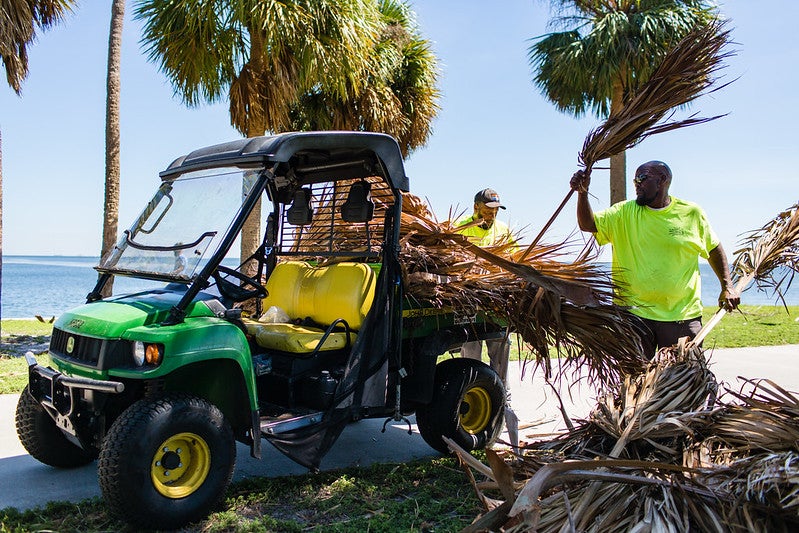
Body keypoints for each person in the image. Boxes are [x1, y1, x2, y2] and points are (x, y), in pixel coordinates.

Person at [570, 161, 740, 358]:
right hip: (634, 317)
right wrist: (582, 193)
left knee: (681, 382)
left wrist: (727, 286)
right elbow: (588, 224)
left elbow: (713, 248)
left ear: (662, 180)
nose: (637, 184)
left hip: (682, 317)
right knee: (636, 381)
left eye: (642, 178)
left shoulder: (691, 213)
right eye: (635, 180)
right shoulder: (623, 213)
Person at [454, 188, 516, 382]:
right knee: (471, 344)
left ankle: (502, 393)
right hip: (470, 297)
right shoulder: (460, 228)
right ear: (476, 207)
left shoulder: (503, 229)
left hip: (497, 297)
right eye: (488, 210)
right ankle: (470, 389)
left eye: (496, 210)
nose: (492, 214)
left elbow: (514, 258)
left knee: (501, 343)